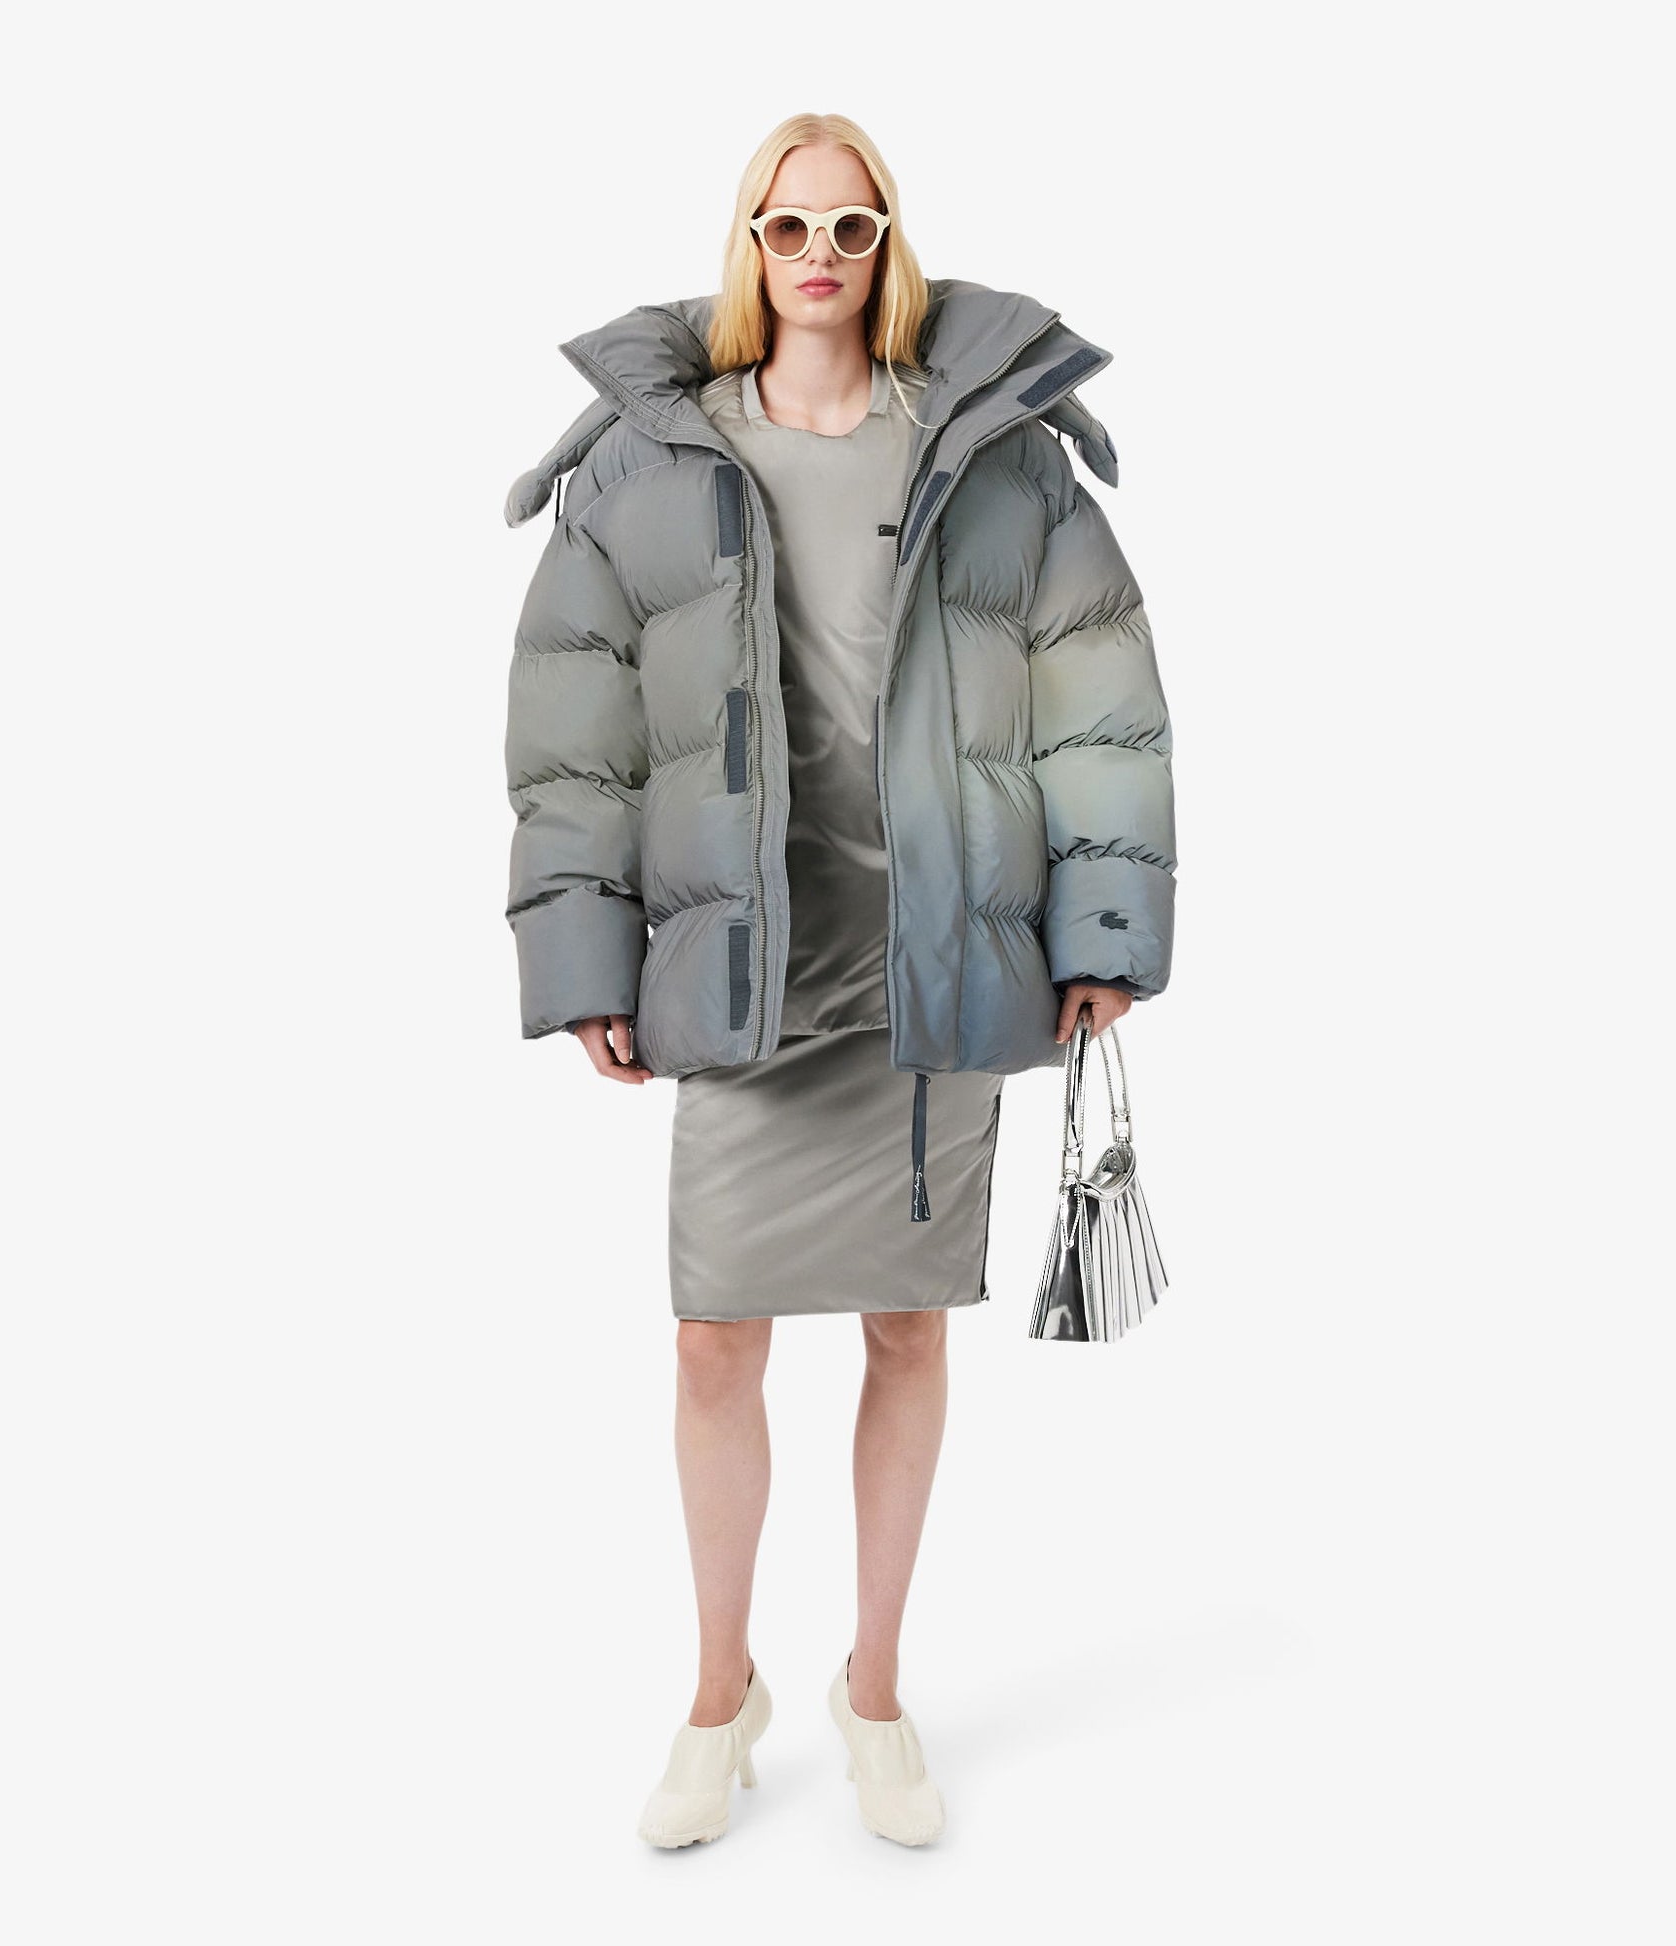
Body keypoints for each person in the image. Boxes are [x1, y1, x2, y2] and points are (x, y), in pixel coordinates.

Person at [503, 112, 1177, 1848]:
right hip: (741, 956)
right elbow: (575, 718)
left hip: (931, 952)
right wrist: (585, 941)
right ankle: (715, 1689)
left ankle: (872, 1689)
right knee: (711, 1336)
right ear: (747, 241)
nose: (818, 253)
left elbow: (1094, 686)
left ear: (889, 243)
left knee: (904, 1322)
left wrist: (1097, 930)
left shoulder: (990, 452)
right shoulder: (653, 459)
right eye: (787, 224)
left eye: (850, 224)